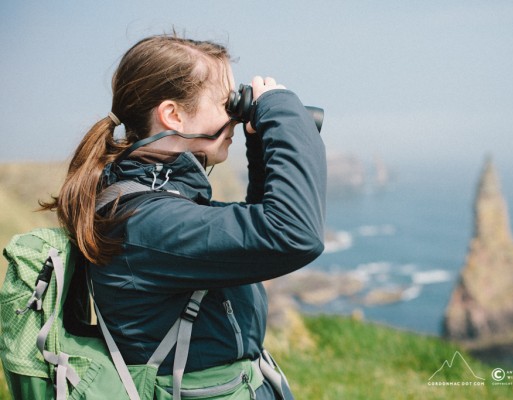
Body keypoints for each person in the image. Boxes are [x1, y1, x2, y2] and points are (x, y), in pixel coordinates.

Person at [42, 34, 327, 399]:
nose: (237, 115)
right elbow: (293, 233)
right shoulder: (146, 222)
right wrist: (283, 111)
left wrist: (259, 145)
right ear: (173, 115)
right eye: (226, 101)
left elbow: (251, 244)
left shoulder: (156, 203)